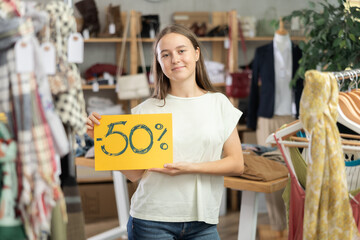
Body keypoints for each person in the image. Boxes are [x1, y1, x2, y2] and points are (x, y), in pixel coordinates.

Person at [86, 24, 244, 240]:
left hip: (203, 223)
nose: (175, 59)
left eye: (181, 51)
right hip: (151, 220)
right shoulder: (146, 110)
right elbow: (135, 175)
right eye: (166, 54)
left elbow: (236, 163)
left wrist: (190, 168)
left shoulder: (219, 103)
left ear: (196, 53)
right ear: (159, 62)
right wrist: (102, 142)